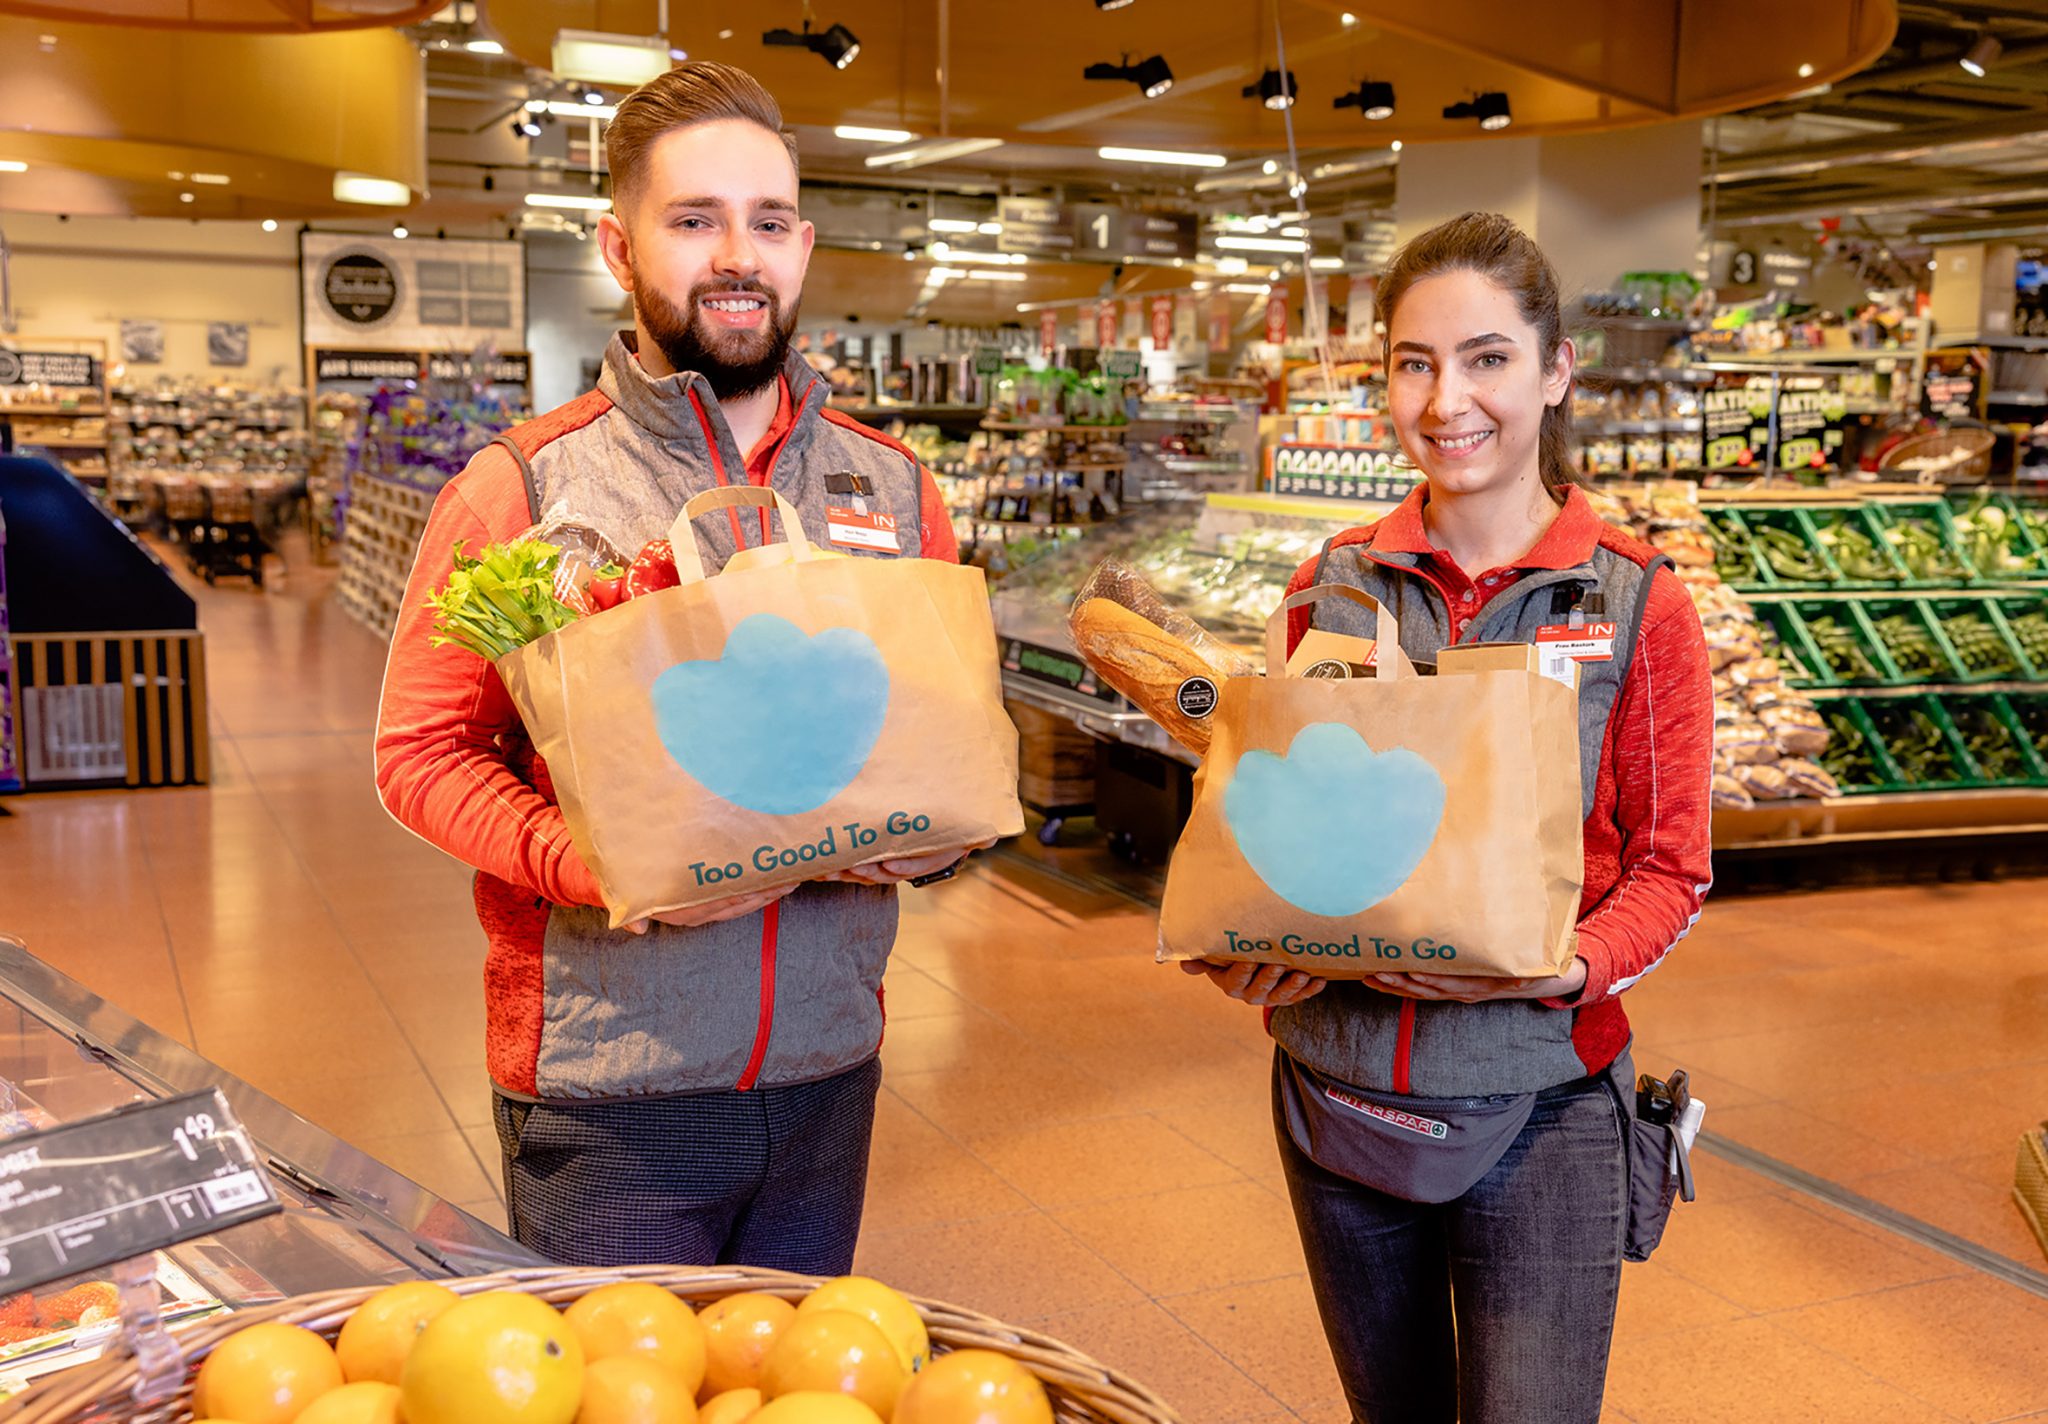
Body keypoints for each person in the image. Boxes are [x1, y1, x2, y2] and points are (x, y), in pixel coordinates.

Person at [374, 61, 974, 1272]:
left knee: (791, 1392)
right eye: (693, 221)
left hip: (827, 1068)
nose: (734, 256)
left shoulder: (895, 487)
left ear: (801, 246)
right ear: (619, 243)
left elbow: (946, 738)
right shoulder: (524, 485)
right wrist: (588, 862)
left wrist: (944, 830)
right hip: (609, 1087)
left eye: (764, 222)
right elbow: (420, 752)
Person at [1181, 212, 1713, 1424]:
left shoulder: (1631, 603)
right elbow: (1271, 827)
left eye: (1484, 358)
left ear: (1554, 370)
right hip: (1337, 1092)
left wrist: (1568, 965)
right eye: (1412, 362)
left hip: (1541, 1102)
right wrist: (1248, 946)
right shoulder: (1332, 583)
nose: (1445, 399)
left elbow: (1669, 870)